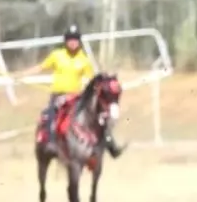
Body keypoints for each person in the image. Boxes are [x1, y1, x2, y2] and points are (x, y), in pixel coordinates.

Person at [23, 25, 123, 158]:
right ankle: (51, 143)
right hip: (58, 95)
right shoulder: (57, 55)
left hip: (75, 97)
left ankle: (110, 144)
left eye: (75, 39)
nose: (73, 42)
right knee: (50, 116)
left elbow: (91, 79)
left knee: (97, 116)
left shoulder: (83, 59)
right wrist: (22, 74)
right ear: (65, 41)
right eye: (70, 39)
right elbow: (41, 67)